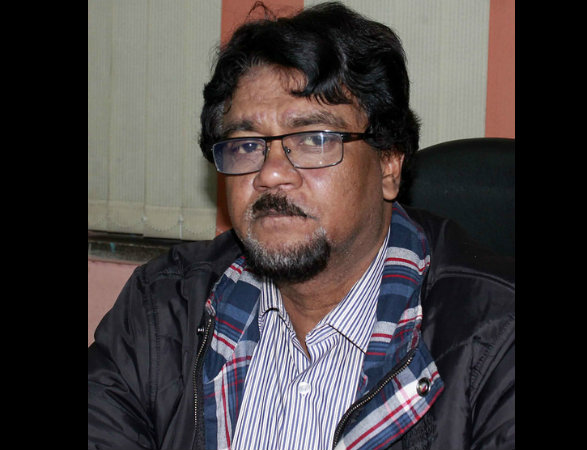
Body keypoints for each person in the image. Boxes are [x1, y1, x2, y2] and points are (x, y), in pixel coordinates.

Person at [88, 2, 515, 449]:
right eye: (246, 144)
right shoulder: (163, 309)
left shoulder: (498, 335)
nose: (271, 173)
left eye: (314, 139)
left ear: (388, 164)